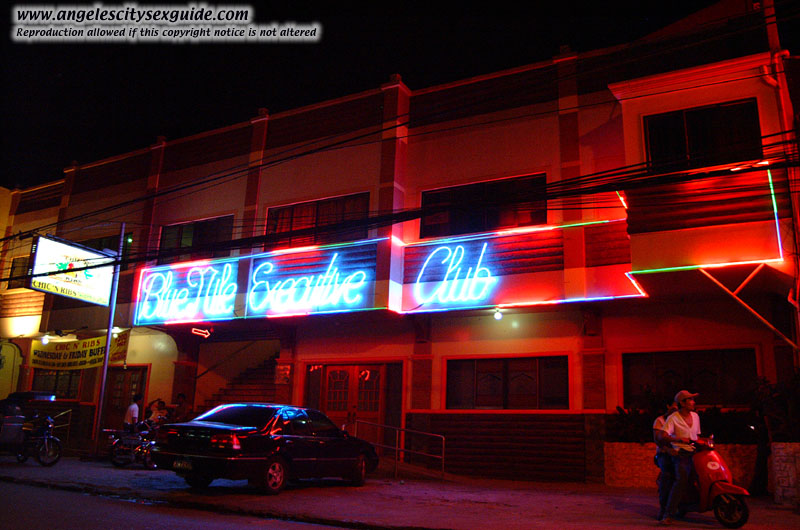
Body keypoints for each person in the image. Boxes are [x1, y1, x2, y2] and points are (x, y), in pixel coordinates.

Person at [660, 390, 701, 525]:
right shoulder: (674, 418)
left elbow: (697, 436)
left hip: (695, 452)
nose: (693, 402)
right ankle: (668, 514)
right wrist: (679, 440)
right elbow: (663, 436)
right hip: (681, 454)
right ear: (682, 403)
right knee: (681, 479)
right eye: (690, 400)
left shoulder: (695, 416)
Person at [653, 400, 678, 522]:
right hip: (665, 454)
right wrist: (668, 450)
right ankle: (664, 509)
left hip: (680, 453)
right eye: (674, 405)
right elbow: (658, 440)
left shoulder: (680, 419)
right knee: (667, 476)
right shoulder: (660, 421)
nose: (676, 408)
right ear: (668, 406)